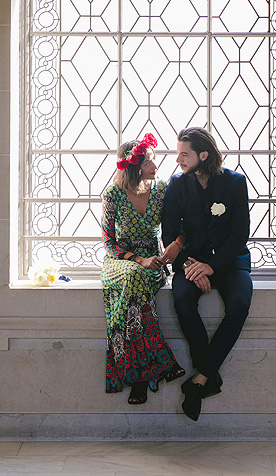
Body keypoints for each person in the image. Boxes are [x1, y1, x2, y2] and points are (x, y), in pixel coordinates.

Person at [161, 126, 253, 421]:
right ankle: (208, 376)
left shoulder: (235, 183)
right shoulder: (176, 185)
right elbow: (170, 232)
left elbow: (240, 234)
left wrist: (213, 266)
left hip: (229, 261)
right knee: (183, 301)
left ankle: (200, 378)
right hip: (191, 263)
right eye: (178, 154)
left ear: (203, 155)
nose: (178, 160)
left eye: (184, 154)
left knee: (239, 303)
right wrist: (190, 267)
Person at [101, 133, 185, 405]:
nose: (155, 165)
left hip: (154, 260)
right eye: (149, 161)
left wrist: (174, 246)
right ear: (135, 166)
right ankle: (160, 363)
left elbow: (181, 226)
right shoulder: (113, 194)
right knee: (135, 276)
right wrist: (138, 260)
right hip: (120, 261)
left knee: (131, 297)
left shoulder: (160, 190)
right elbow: (108, 243)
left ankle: (138, 378)